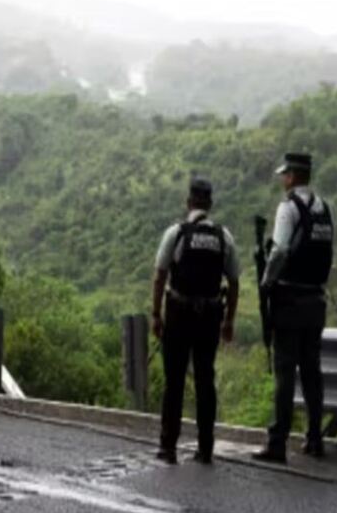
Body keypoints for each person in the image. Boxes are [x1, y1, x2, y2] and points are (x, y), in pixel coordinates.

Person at [151, 177, 239, 465]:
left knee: (174, 382)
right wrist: (228, 322)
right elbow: (235, 282)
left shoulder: (176, 233)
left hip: (178, 314)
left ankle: (168, 447)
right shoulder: (223, 237)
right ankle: (205, 449)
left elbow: (160, 275)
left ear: (188, 203)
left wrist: (156, 315)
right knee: (205, 381)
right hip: (210, 317)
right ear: (209, 205)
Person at [253, 153, 334, 464]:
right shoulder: (323, 208)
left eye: (284, 174)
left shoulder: (288, 209)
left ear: (292, 176)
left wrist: (265, 282)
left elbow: (280, 251)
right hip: (316, 301)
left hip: (289, 302)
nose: (282, 179)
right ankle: (315, 438)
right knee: (312, 371)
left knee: (285, 373)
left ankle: (278, 443)